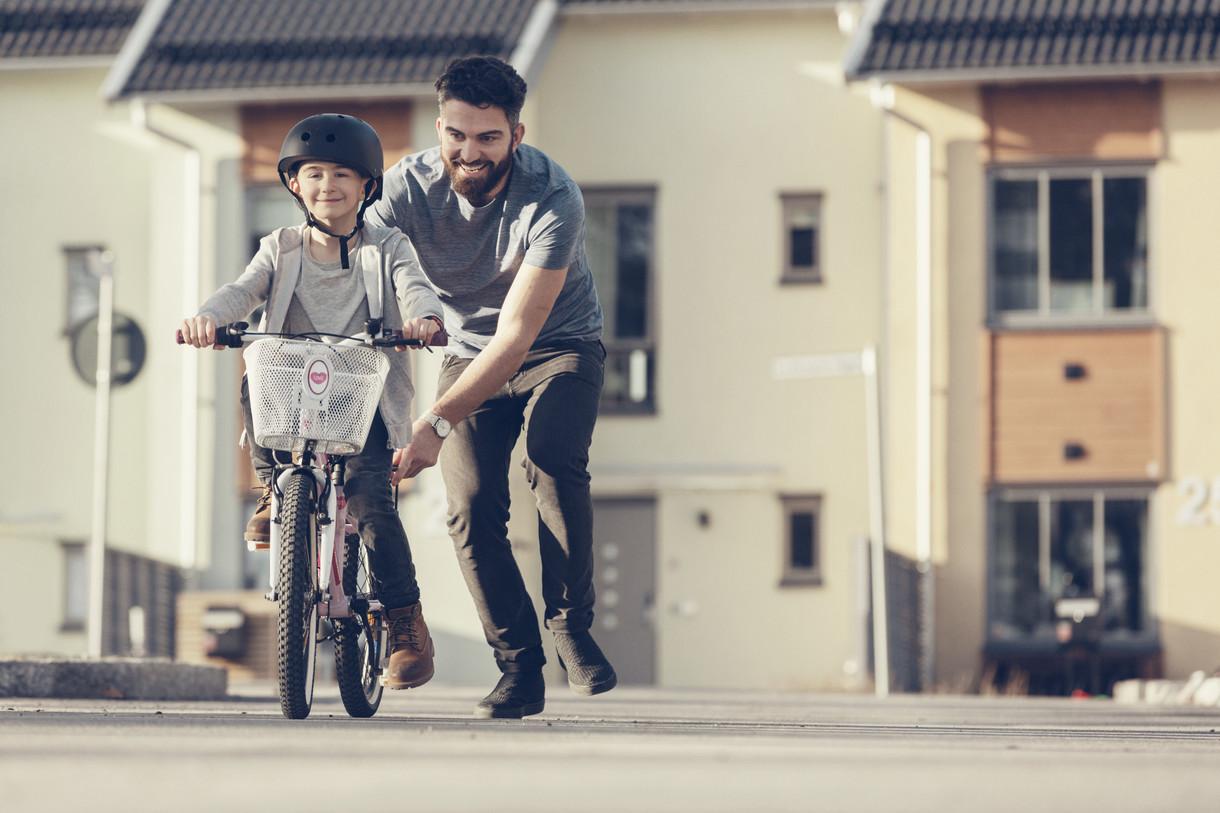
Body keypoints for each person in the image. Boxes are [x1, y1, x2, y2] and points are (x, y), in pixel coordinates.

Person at [367, 56, 616, 719]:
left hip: (556, 345)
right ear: (440, 126)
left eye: (487, 139)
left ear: (517, 134)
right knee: (469, 504)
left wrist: (435, 419)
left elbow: (516, 335)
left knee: (551, 458)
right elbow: (357, 267)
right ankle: (519, 669)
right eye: (456, 135)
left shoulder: (553, 195)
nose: (469, 153)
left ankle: (569, 625)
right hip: (468, 353)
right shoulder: (402, 189)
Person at [179, 114, 443, 691]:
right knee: (252, 371)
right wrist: (209, 317)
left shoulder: (387, 246)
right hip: (291, 390)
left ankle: (404, 625)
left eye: (343, 175)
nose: (329, 186)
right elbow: (242, 291)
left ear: (367, 186)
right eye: (314, 174)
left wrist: (424, 318)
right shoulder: (281, 246)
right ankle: (274, 493)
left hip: (362, 393)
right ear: (294, 184)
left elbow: (412, 284)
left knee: (374, 502)